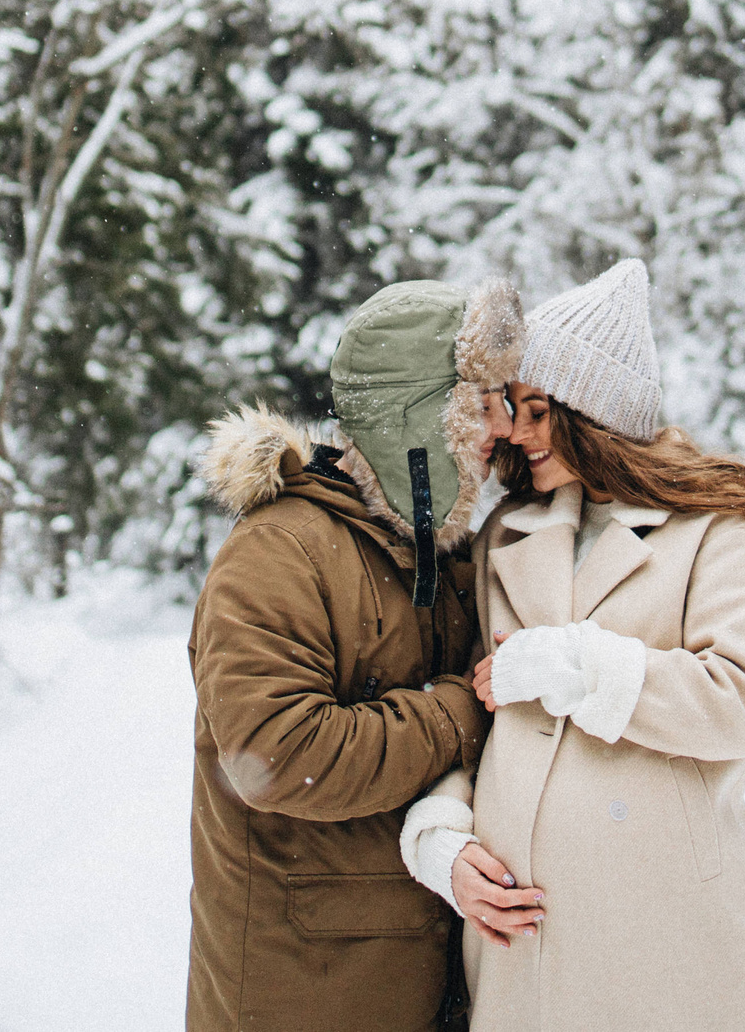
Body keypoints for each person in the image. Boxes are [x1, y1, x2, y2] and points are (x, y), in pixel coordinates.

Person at [398, 258, 745, 1032]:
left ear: (598, 409)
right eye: (516, 407)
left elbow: (736, 700)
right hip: (524, 937)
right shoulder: (505, 535)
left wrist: (576, 665)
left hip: (659, 935)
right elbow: (475, 712)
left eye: (541, 409)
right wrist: (442, 839)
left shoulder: (721, 525)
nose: (517, 430)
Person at [187, 277, 527, 1032]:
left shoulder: (444, 551)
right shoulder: (277, 553)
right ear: (418, 421)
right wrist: (459, 709)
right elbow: (277, 752)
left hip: (420, 975)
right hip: (303, 991)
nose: (502, 426)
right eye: (479, 406)